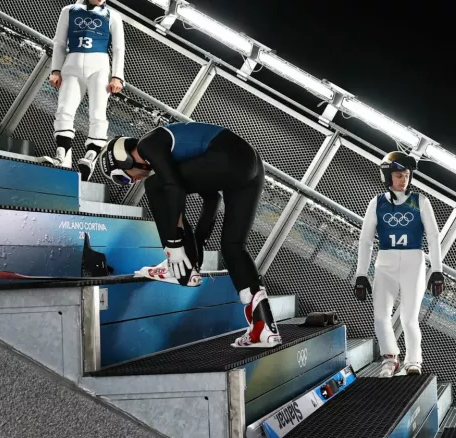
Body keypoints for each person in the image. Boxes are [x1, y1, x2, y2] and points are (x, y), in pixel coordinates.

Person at [97, 121, 282, 349]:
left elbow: (174, 188)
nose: (132, 181)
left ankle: (178, 268)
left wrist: (175, 245)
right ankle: (265, 330)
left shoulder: (148, 145)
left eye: (123, 177)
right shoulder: (177, 156)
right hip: (250, 166)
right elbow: (213, 198)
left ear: (124, 159)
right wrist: (199, 242)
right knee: (233, 246)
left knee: (156, 185)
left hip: (231, 158)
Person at [353, 151, 444, 377]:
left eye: (406, 175)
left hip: (414, 262)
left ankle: (414, 361)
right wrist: (361, 273)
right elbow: (365, 239)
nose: (403, 180)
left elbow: (433, 236)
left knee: (409, 317)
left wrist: (438, 270)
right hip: (385, 262)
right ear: (387, 176)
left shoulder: (420, 201)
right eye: (398, 176)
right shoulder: (377, 202)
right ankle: (390, 358)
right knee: (380, 315)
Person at [47, 0, 125, 181]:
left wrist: (117, 76)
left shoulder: (113, 15)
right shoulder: (69, 10)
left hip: (100, 67)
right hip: (71, 65)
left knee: (97, 113)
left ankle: (91, 156)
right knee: (64, 109)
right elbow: (59, 42)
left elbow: (119, 49)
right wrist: (55, 69)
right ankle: (62, 153)